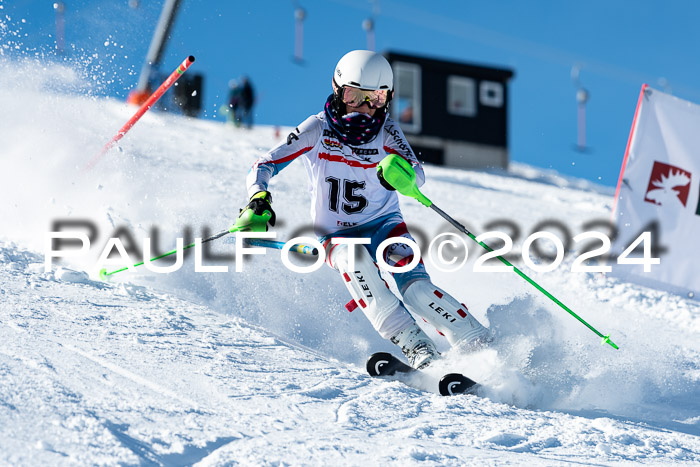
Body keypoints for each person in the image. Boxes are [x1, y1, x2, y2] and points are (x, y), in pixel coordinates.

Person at [232, 50, 490, 369]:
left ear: (388, 99)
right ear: (339, 91)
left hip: (385, 226)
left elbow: (416, 173)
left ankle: (477, 342)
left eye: (376, 99)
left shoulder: (387, 132)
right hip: (336, 235)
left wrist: (399, 174)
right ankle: (417, 346)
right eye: (355, 97)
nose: (366, 109)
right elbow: (265, 163)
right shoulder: (317, 128)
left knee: (416, 290)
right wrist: (259, 196)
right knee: (353, 262)